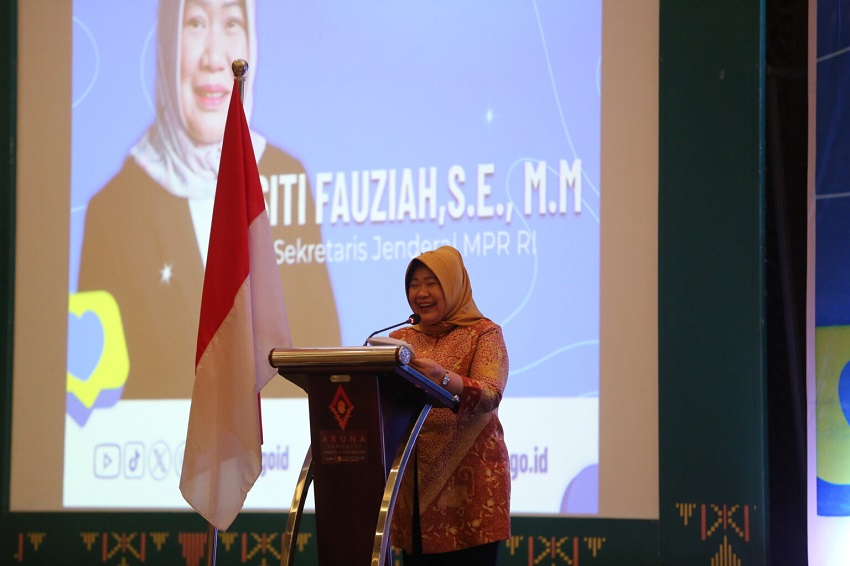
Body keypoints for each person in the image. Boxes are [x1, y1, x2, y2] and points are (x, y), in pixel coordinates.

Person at [77, 0, 340, 399]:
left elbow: (323, 358)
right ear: (168, 40)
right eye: (196, 22)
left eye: (232, 22)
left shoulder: (286, 174)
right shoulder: (113, 209)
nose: (215, 58)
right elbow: (94, 387)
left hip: (279, 436)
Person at [388, 246, 511, 565]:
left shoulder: (484, 333)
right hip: (415, 491)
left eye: (432, 283)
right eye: (414, 284)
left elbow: (490, 393)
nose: (421, 293)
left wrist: (442, 378)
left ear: (454, 285)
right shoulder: (400, 339)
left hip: (469, 492)